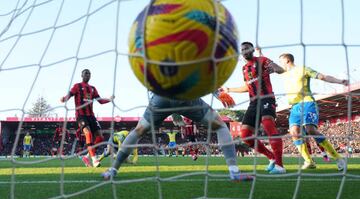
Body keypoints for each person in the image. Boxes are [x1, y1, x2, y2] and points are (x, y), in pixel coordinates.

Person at [101, 94, 254, 182]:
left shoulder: (157, 50)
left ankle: (113, 169)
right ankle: (233, 171)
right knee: (220, 126)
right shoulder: (193, 46)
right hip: (187, 96)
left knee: (138, 130)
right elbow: (204, 74)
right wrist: (218, 92)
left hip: (162, 98)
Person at [223, 41, 286, 174]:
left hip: (266, 98)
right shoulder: (245, 68)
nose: (244, 51)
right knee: (245, 135)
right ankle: (271, 157)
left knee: (268, 123)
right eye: (242, 49)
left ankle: (280, 166)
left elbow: (280, 69)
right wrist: (229, 89)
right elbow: (247, 87)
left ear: (252, 50)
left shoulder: (262, 60)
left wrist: (274, 69)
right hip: (253, 103)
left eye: (246, 48)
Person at [279, 53, 348, 170]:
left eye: (280, 61)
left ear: (287, 61)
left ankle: (338, 158)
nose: (280, 64)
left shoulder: (303, 69)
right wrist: (259, 53)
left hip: (307, 103)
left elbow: (323, 77)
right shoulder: (284, 73)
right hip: (294, 107)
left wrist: (340, 81)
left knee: (310, 129)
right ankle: (308, 161)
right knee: (294, 132)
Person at [60, 69, 114, 167]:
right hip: (81, 115)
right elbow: (70, 94)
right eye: (86, 73)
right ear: (82, 75)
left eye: (89, 74)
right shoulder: (77, 86)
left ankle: (87, 156)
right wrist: (64, 99)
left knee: (100, 138)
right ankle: (94, 160)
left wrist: (109, 99)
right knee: (88, 134)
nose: (87, 75)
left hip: (91, 116)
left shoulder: (93, 88)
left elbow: (100, 101)